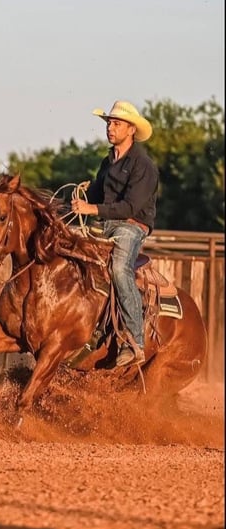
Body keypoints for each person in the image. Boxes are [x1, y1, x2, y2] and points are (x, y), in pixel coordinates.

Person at [71, 100, 159, 367]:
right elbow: (96, 195)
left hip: (132, 226)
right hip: (106, 225)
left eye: (117, 124)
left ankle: (134, 341)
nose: (110, 128)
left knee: (120, 269)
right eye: (109, 123)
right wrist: (77, 200)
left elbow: (130, 207)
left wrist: (91, 208)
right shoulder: (108, 161)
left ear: (131, 129)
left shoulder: (143, 165)